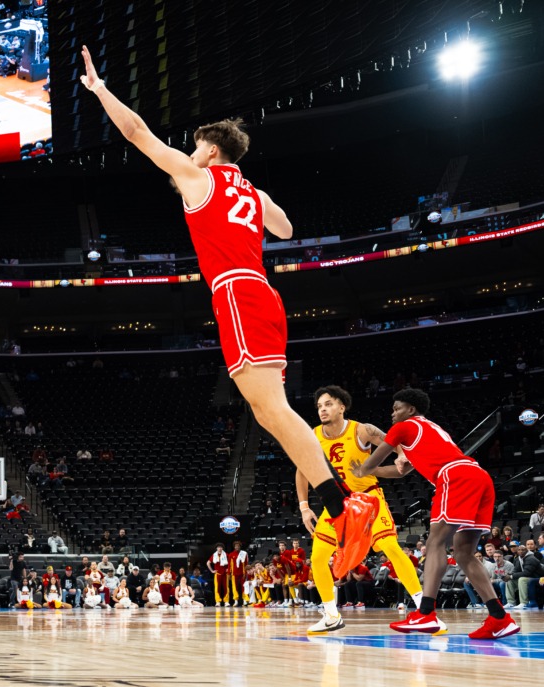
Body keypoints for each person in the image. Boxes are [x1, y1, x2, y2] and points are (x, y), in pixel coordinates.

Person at [77, 44, 377, 574]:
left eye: (194, 148)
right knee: (267, 410)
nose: (188, 155)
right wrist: (252, 197)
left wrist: (100, 90)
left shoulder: (200, 178)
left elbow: (137, 135)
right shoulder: (252, 193)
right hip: (264, 292)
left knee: (274, 410)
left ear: (211, 152)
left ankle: (344, 503)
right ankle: (340, 505)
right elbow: (284, 227)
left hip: (237, 293)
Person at [353, 388, 520, 639]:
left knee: (435, 543)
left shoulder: (405, 426)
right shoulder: (430, 430)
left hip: (454, 476)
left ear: (411, 409)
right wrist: (373, 471)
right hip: (478, 476)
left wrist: (360, 470)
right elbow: (401, 471)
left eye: (396, 408)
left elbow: (373, 460)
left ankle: (426, 613)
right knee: (463, 552)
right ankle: (499, 617)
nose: (392, 413)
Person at [298, 385, 423, 633]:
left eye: (328, 404)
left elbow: (393, 441)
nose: (323, 409)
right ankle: (331, 615)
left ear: (341, 406)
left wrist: (400, 455)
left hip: (368, 499)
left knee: (390, 548)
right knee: (318, 558)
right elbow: (302, 471)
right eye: (320, 406)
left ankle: (424, 610)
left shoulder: (362, 430)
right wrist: (304, 506)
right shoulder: (312, 435)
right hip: (337, 504)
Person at [227, 540, 248, 606]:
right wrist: (229, 573)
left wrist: (246, 573)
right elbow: (229, 565)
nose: (237, 547)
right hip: (234, 574)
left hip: (242, 574)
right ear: (234, 547)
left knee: (244, 587)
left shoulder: (244, 553)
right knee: (234, 588)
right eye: (236, 546)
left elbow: (246, 564)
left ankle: (245, 600)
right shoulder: (231, 555)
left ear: (240, 546)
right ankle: (236, 601)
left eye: (238, 546)